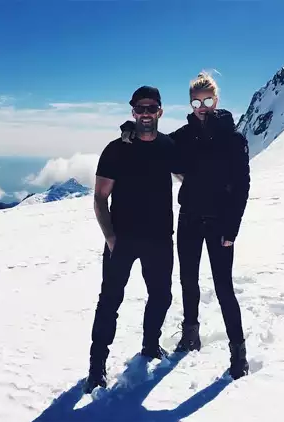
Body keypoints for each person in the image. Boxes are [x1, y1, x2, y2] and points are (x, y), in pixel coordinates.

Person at [120, 72, 250, 380]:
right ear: (190, 104)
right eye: (196, 102)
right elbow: (156, 143)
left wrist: (232, 229)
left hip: (220, 225)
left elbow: (242, 186)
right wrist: (132, 129)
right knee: (188, 281)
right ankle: (190, 335)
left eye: (207, 100)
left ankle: (238, 352)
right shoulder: (184, 136)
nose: (201, 107)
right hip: (189, 219)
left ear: (216, 100)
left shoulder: (233, 139)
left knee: (224, 287)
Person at [83, 86, 182, 394]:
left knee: (161, 296)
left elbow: (189, 175)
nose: (146, 113)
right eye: (140, 108)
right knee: (109, 301)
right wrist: (111, 238)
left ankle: (150, 344)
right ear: (133, 112)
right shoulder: (116, 150)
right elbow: (100, 198)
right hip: (122, 239)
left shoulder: (169, 146)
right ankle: (96, 366)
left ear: (160, 111)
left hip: (160, 238)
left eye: (151, 108)